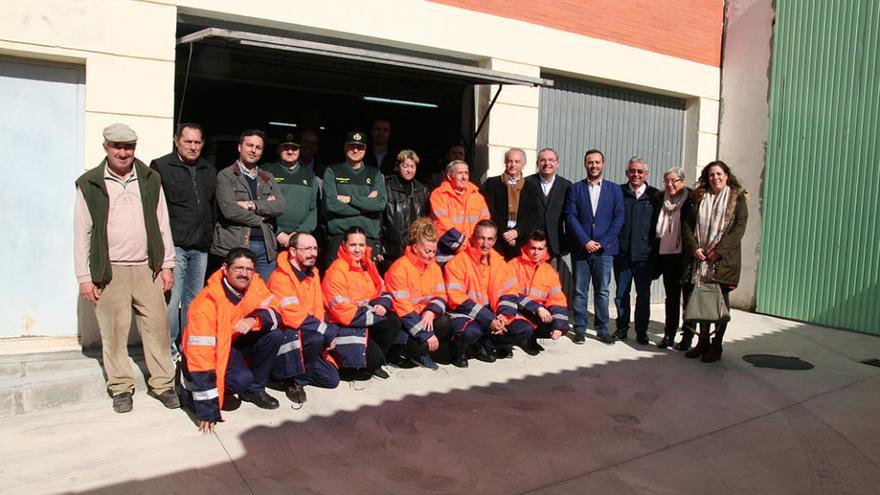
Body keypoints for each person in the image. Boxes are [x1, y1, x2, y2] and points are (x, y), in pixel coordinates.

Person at [74, 123, 178, 413]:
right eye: (117, 146)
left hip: (148, 268)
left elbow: (162, 224)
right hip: (110, 271)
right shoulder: (90, 183)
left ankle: (163, 384)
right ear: (106, 147)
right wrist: (84, 277)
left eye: (128, 147)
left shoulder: (150, 178)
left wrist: (167, 265)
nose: (123, 152)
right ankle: (121, 387)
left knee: (157, 327)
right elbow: (82, 232)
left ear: (135, 148)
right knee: (114, 332)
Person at [181, 248, 303, 434]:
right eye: (239, 268)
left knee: (275, 336)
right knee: (239, 381)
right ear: (225, 268)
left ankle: (254, 390)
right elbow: (201, 356)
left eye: (249, 269)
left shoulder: (255, 283)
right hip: (209, 353)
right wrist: (207, 410)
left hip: (234, 343)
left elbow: (275, 309)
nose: (244, 274)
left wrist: (254, 319)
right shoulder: (206, 303)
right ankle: (187, 395)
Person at [150, 122, 216, 360]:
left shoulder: (208, 169)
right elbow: (154, 211)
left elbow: (211, 207)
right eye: (188, 141)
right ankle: (166, 350)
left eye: (197, 142)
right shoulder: (161, 167)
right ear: (176, 141)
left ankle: (190, 349)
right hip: (174, 246)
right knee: (171, 301)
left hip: (200, 247)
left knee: (194, 302)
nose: (193, 146)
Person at [680, 161, 748, 362]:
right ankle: (702, 342)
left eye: (719, 174)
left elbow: (739, 229)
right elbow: (686, 225)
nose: (715, 178)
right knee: (702, 303)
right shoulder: (699, 197)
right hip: (701, 261)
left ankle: (716, 345)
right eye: (711, 174)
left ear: (727, 175)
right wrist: (695, 249)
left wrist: (718, 252)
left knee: (719, 305)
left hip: (723, 261)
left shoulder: (738, 198)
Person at [444, 220, 532, 367]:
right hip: (466, 313)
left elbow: (509, 293)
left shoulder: (500, 263)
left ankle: (485, 344)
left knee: (524, 329)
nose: (485, 243)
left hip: (492, 313)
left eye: (490, 239)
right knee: (471, 332)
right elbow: (456, 299)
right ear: (473, 238)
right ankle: (458, 351)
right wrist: (489, 319)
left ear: (495, 240)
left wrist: (504, 316)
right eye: (481, 238)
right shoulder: (457, 263)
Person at [268, 233, 341, 403]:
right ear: (292, 251)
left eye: (315, 248)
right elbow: (292, 317)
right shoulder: (280, 279)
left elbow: (317, 309)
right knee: (315, 338)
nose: (313, 253)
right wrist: (326, 332)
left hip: (308, 334)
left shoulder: (313, 274)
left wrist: (325, 333)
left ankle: (295, 371)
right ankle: (294, 382)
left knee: (331, 380)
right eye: (307, 249)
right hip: (287, 337)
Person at [322, 227, 402, 379]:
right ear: (344, 245)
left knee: (393, 321)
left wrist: (382, 304)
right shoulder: (336, 271)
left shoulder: (367, 264)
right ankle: (363, 362)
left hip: (365, 317)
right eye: (353, 245)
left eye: (361, 245)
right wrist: (374, 311)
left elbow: (382, 288)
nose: (357, 250)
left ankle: (373, 358)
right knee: (371, 365)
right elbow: (342, 312)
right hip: (344, 324)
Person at [563, 149, 624, 345]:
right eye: (590, 162)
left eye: (597, 162)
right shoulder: (575, 188)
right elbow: (570, 217)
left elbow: (619, 218)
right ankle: (580, 328)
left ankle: (601, 328)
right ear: (585, 164)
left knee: (602, 291)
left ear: (603, 164)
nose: (594, 166)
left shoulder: (614, 190)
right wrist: (585, 241)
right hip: (582, 248)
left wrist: (603, 242)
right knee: (580, 290)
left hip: (605, 250)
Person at [212, 129, 286, 282]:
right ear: (240, 147)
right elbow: (229, 210)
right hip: (236, 245)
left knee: (264, 296)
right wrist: (262, 219)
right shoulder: (226, 175)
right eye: (249, 145)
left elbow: (280, 206)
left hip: (266, 248)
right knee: (236, 295)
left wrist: (251, 205)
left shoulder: (267, 178)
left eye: (258, 147)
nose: (253, 150)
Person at [384, 218, 451, 370]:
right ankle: (404, 351)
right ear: (414, 247)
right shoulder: (399, 268)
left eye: (434, 251)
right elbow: (403, 309)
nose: (430, 256)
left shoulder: (433, 267)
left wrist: (431, 311)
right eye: (427, 251)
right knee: (420, 340)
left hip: (423, 317)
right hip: (405, 322)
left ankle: (419, 351)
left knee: (445, 320)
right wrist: (426, 335)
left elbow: (441, 295)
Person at [613, 156, 660, 345]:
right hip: (623, 255)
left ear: (646, 174)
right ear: (627, 173)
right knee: (621, 294)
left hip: (644, 257)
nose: (636, 175)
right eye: (632, 171)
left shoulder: (654, 196)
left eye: (640, 171)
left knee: (643, 296)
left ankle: (642, 331)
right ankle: (622, 328)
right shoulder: (618, 193)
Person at [323, 131, 387, 264]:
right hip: (340, 238)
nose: (356, 150)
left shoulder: (375, 173)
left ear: (365, 149)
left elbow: (380, 204)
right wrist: (365, 206)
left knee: (367, 283)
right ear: (345, 147)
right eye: (352, 146)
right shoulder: (332, 171)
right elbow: (331, 204)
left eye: (360, 147)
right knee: (337, 281)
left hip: (368, 239)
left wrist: (351, 200)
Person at [508, 230, 570, 354]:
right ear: (526, 247)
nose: (536, 252)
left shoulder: (549, 271)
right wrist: (537, 308)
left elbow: (557, 299)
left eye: (540, 249)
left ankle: (530, 337)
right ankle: (508, 342)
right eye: (533, 248)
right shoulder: (513, 265)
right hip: (515, 311)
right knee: (522, 328)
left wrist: (559, 326)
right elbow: (509, 295)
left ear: (545, 249)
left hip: (535, 312)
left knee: (555, 324)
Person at [654, 167, 692, 350]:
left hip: (685, 256)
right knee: (672, 297)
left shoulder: (691, 199)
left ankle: (687, 336)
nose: (669, 184)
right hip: (666, 255)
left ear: (682, 181)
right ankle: (669, 334)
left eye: (673, 180)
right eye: (666, 180)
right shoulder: (661, 199)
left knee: (689, 298)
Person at [263, 133, 319, 247]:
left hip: (301, 239)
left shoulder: (310, 176)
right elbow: (259, 206)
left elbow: (314, 209)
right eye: (285, 148)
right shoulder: (265, 172)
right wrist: (277, 232)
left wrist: (299, 233)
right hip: (271, 236)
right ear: (278, 149)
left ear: (299, 150)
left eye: (294, 148)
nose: (290, 152)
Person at [430, 160, 490, 265]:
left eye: (466, 173)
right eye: (460, 173)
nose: (464, 177)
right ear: (449, 176)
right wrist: (464, 245)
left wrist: (477, 244)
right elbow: (440, 225)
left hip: (473, 254)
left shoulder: (477, 196)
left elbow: (485, 223)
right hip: (447, 256)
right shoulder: (438, 195)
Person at [380, 149, 430, 271]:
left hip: (415, 249)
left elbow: (426, 220)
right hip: (392, 251)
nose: (409, 170)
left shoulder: (422, 190)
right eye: (405, 166)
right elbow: (379, 220)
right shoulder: (387, 187)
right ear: (397, 167)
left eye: (412, 166)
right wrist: (378, 246)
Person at [520, 148, 572, 265]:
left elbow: (569, 218)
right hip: (531, 243)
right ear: (537, 163)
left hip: (554, 244)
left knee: (549, 280)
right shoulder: (526, 183)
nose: (547, 163)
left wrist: (567, 243)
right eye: (543, 160)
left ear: (557, 164)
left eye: (551, 160)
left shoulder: (566, 186)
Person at [481, 148, 533, 260]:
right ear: (505, 163)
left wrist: (517, 232)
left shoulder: (531, 188)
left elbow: (533, 216)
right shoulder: (492, 184)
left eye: (517, 162)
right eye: (509, 161)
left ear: (523, 164)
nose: (513, 165)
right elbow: (489, 210)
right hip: (497, 240)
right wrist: (505, 233)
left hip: (521, 242)